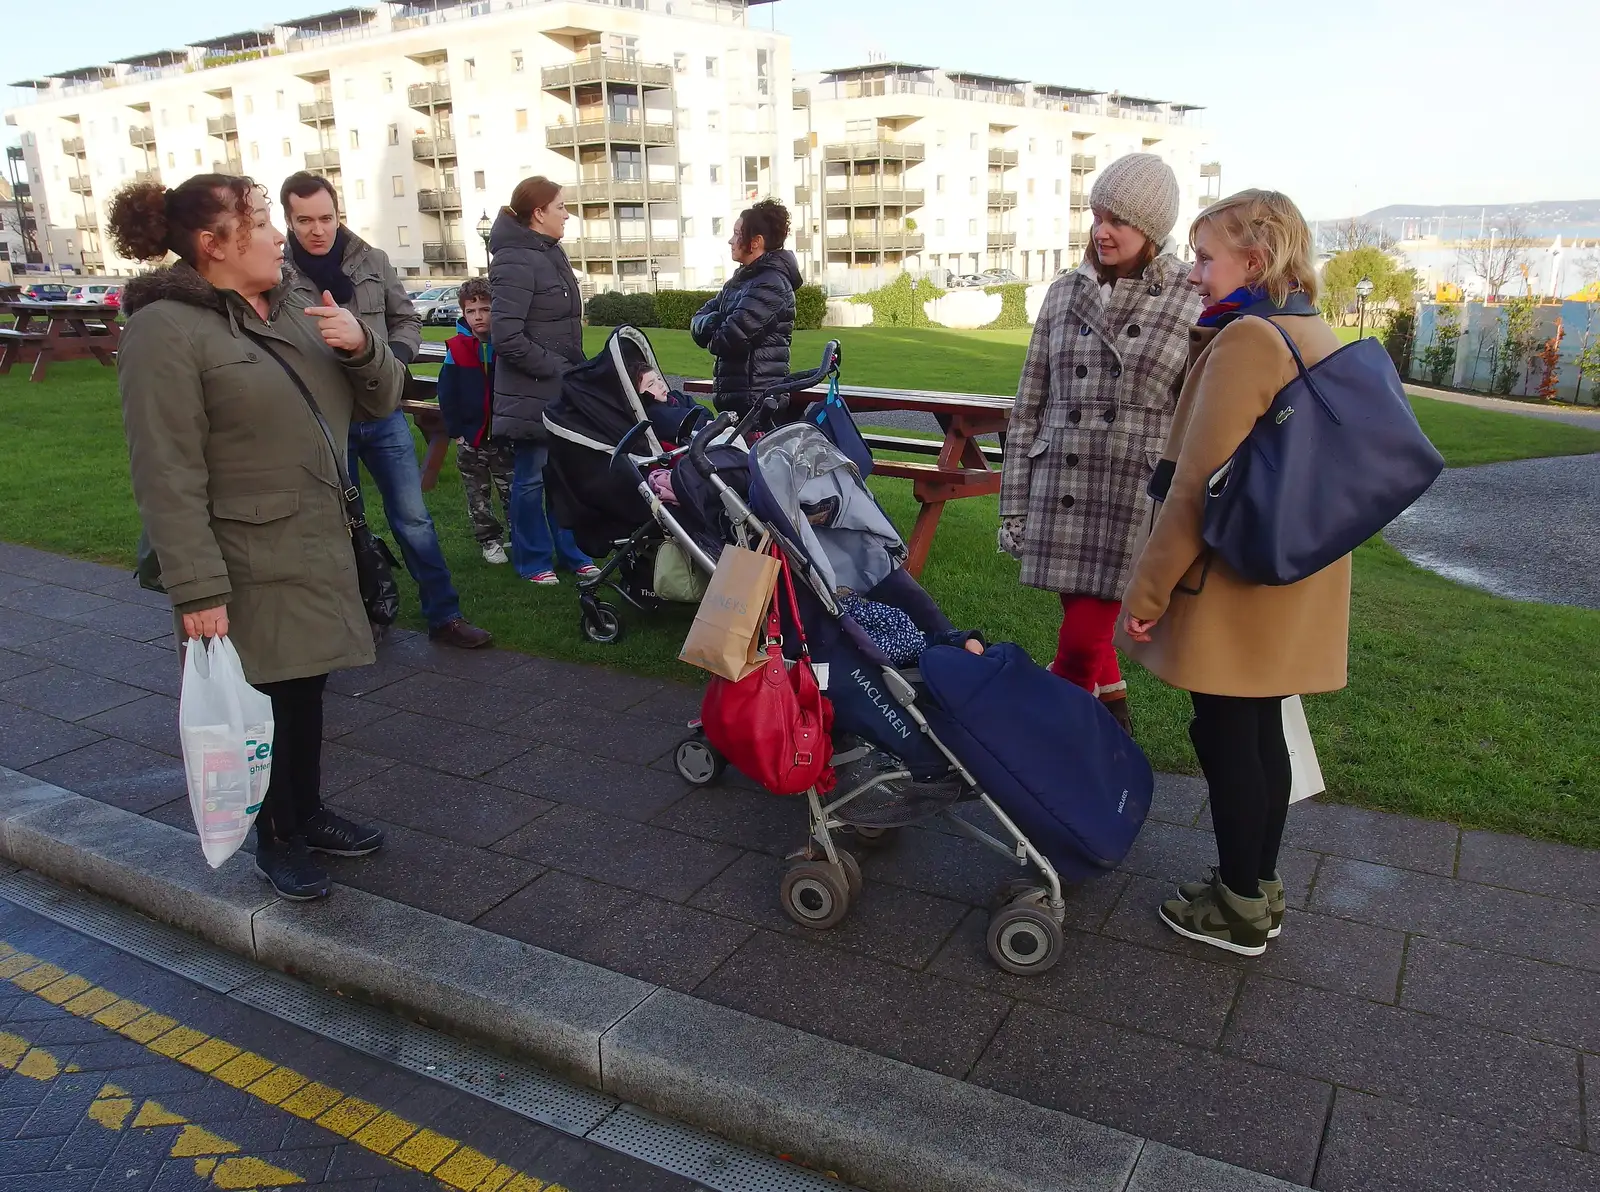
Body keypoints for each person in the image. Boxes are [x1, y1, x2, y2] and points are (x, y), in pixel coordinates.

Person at [110, 173, 402, 901]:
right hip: (241, 555)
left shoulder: (299, 304)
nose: (277, 235)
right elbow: (165, 470)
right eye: (260, 222)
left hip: (314, 537)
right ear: (213, 245)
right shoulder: (166, 328)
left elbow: (382, 399)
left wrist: (363, 344)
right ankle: (274, 836)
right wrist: (197, 588)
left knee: (307, 684)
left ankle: (307, 810)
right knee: (262, 696)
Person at [1118, 189, 1348, 957]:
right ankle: (1256, 883)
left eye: (1207, 255)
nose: (1195, 272)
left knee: (1226, 737)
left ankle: (1241, 907)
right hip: (1295, 569)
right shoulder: (1308, 326)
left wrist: (1146, 595)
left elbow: (1193, 485)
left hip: (1236, 577)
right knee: (1261, 733)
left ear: (1255, 258)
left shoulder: (1250, 338)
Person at [998, 153, 1203, 735]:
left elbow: (1197, 416)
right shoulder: (1064, 293)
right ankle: (1113, 732)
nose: (1101, 230)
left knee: (1081, 646)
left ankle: (1044, 750)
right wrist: (1014, 503)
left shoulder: (1189, 299)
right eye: (1097, 215)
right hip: (1061, 483)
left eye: (1119, 220)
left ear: (1153, 230)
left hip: (1131, 495)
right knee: (1086, 630)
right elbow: (1029, 402)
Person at [279, 172, 491, 648]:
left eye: (326, 218)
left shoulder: (371, 260)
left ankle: (445, 616)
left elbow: (406, 318)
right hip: (322, 419)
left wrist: (393, 358)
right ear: (289, 221)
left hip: (382, 410)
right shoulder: (279, 273)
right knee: (334, 526)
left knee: (413, 519)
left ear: (339, 214)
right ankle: (358, 620)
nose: (317, 229)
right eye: (305, 220)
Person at [488, 176, 601, 586]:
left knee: (564, 472)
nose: (567, 214)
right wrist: (556, 366)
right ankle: (533, 559)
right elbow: (506, 336)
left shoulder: (551, 252)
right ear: (538, 213)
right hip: (531, 390)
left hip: (562, 388)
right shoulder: (514, 259)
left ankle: (572, 552)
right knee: (532, 476)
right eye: (560, 207)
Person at [691, 198, 802, 415]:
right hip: (738, 402)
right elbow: (698, 318)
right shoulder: (740, 280)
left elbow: (729, 339)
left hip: (758, 404)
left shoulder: (771, 284)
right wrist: (714, 321)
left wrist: (714, 324)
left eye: (736, 234)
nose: (731, 241)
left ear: (755, 242)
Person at [437, 278, 514, 565]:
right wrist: (457, 431)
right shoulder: (456, 349)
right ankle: (489, 541)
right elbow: (447, 393)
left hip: (505, 437)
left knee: (512, 492)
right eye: (471, 311)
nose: (478, 316)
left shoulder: (506, 346)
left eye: (485, 309)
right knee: (477, 495)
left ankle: (520, 536)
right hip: (471, 437)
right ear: (464, 313)